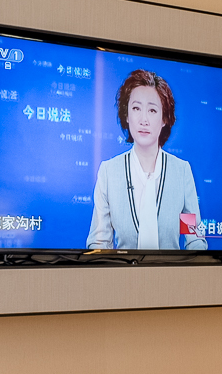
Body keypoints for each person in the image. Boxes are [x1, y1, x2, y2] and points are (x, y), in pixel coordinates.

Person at [87, 69, 207, 250]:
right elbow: (99, 243)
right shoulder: (109, 172)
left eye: (152, 110)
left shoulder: (181, 172)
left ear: (164, 118)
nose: (143, 120)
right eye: (136, 108)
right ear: (126, 115)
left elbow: (194, 239)